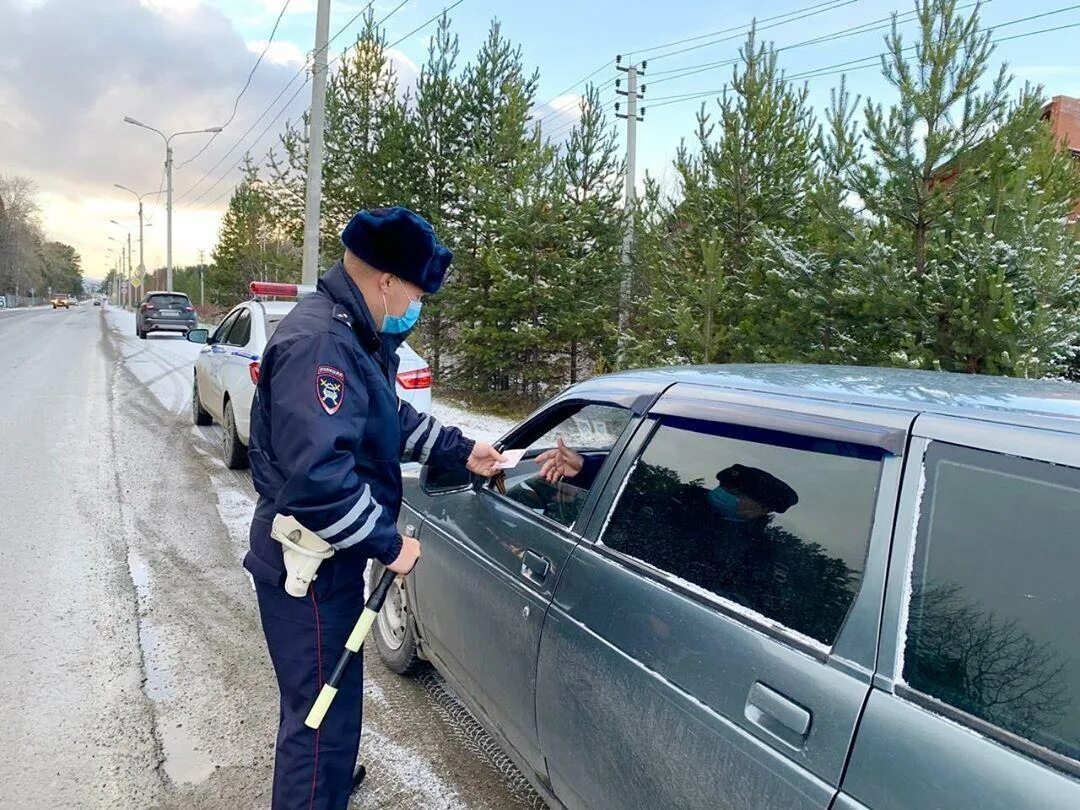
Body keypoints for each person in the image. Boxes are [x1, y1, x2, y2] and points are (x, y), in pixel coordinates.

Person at [244, 206, 505, 810]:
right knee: (318, 712)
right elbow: (319, 483)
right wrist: (390, 545)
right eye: (417, 291)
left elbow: (387, 421)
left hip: (330, 558)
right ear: (387, 280)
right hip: (307, 562)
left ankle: (329, 782)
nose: (418, 305)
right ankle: (315, 790)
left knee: (335, 702)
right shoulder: (322, 345)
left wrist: (464, 451)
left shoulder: (358, 335)